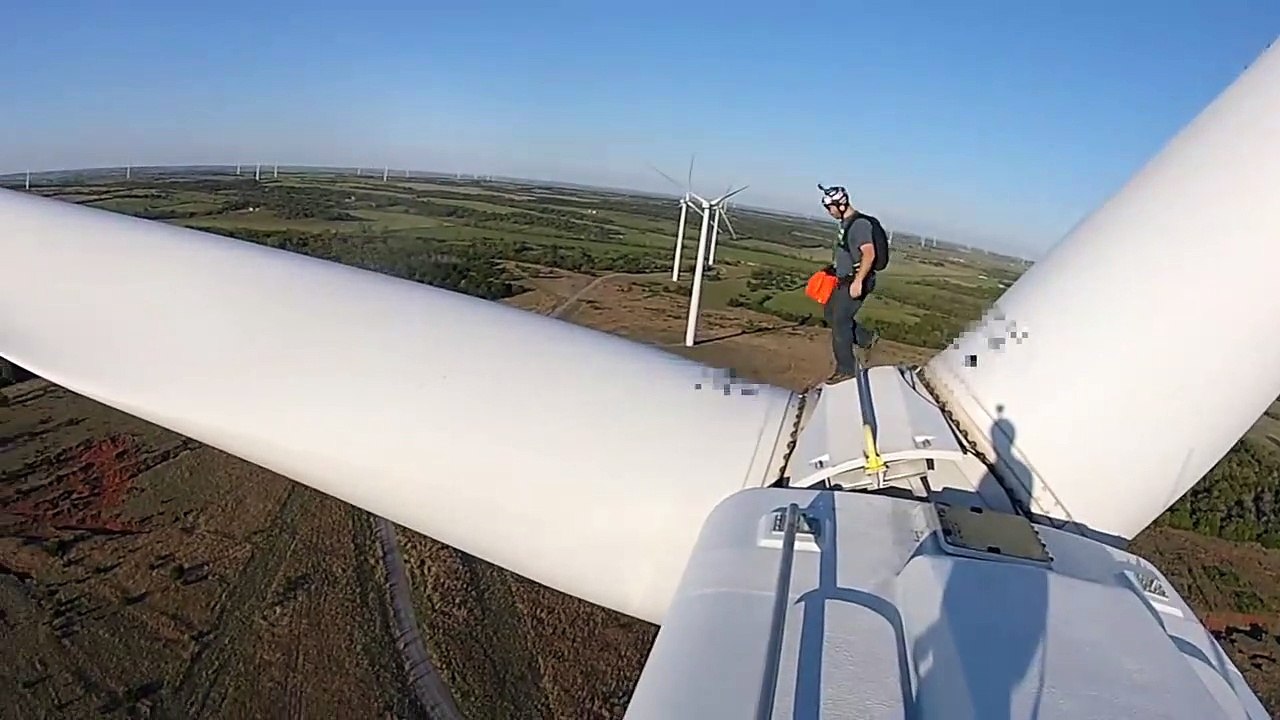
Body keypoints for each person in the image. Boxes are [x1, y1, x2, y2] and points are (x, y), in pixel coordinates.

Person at [819, 184, 881, 381]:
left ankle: (846, 370)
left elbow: (869, 254)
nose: (829, 212)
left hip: (855, 282)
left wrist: (858, 281)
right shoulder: (846, 224)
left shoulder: (860, 225)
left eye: (830, 208)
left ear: (841, 204)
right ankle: (865, 338)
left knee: (840, 323)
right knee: (830, 313)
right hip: (844, 279)